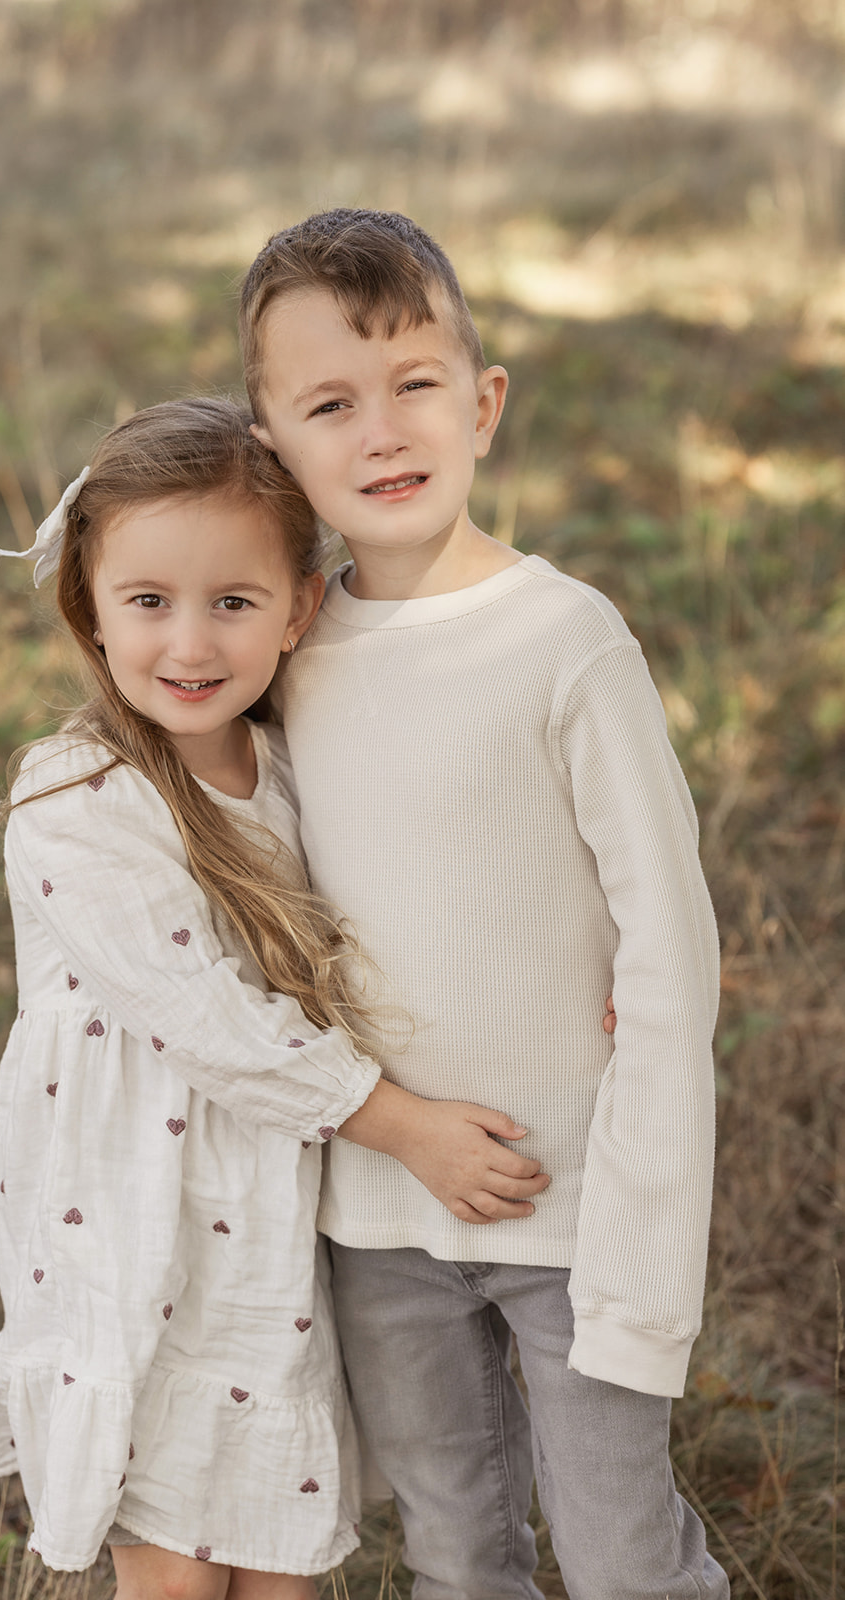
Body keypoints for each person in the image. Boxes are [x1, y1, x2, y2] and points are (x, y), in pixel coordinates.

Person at [0, 397, 550, 1600]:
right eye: (147, 601)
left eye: (232, 601)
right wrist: (406, 1127)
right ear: (89, 603)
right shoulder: (75, 796)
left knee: (277, 1571)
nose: (189, 640)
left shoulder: (297, 765)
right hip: (137, 1238)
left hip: (272, 1241)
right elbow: (210, 1021)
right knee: (174, 1575)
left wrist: (578, 976)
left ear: (300, 606)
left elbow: (422, 900)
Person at [239, 210, 729, 1600]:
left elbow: (667, 949)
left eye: (413, 385)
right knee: (455, 1554)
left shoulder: (561, 640)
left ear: (482, 403)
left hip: (570, 1198)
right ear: (273, 446)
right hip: (382, 1206)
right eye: (330, 404)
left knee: (621, 1556)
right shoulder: (288, 648)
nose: (380, 431)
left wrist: (646, 1207)